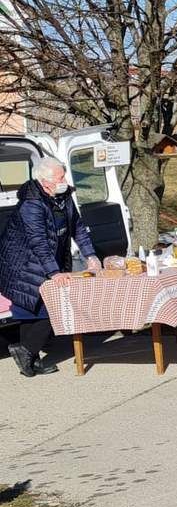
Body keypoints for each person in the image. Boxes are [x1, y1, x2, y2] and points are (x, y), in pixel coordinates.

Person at [0, 156, 101, 376]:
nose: (64, 179)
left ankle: (30, 362)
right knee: (49, 308)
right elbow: (38, 241)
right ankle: (25, 349)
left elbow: (78, 227)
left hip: (45, 261)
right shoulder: (31, 203)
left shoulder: (63, 196)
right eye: (60, 177)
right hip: (23, 264)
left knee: (34, 312)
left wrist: (90, 255)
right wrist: (54, 272)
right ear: (45, 182)